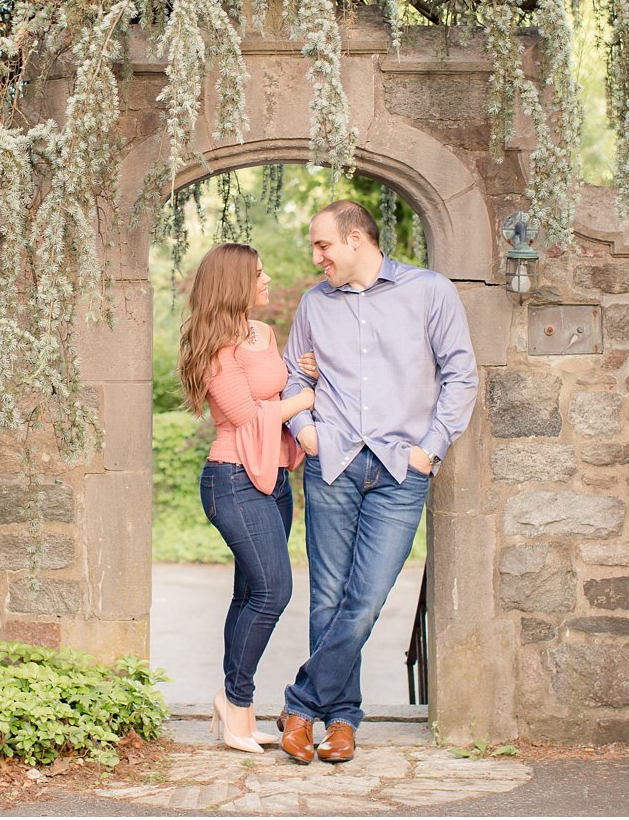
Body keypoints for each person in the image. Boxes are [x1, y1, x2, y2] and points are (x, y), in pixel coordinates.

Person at [277, 200, 479, 764]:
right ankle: (340, 721)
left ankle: (300, 705)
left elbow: (461, 374)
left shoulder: (429, 291)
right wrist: (304, 429)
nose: (317, 258)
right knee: (327, 596)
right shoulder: (316, 303)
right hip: (333, 462)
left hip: (400, 468)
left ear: (357, 240)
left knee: (364, 600)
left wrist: (430, 449)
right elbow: (296, 370)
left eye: (323, 246)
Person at [177, 242, 315, 753]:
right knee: (273, 592)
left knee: (248, 595)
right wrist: (302, 400)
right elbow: (247, 416)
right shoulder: (214, 345)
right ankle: (236, 702)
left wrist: (305, 372)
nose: (267, 279)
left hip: (274, 479)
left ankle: (236, 708)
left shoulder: (263, 333)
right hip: (232, 479)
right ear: (234, 282)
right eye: (258, 274)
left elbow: (275, 390)